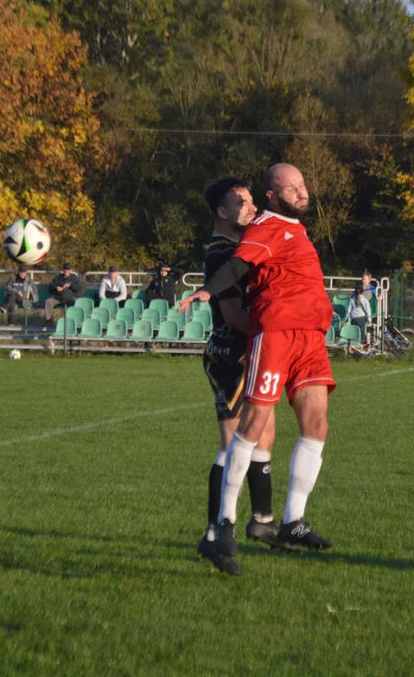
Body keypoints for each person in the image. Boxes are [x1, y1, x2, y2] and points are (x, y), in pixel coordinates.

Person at [179, 163, 336, 576]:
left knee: (289, 429)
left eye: (303, 184)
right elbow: (235, 294)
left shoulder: (280, 229)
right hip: (246, 347)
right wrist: (208, 292)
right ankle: (220, 529)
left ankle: (275, 521)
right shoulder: (238, 242)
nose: (303, 192)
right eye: (240, 201)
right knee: (241, 435)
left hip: (297, 338)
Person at [195, 175, 287, 575]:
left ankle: (262, 522)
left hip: (247, 352)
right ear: (222, 211)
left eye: (252, 201)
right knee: (235, 442)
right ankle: (214, 535)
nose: (251, 208)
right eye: (242, 203)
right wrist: (279, 331)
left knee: (263, 436)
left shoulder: (240, 247)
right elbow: (233, 316)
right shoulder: (220, 255)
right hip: (230, 353)